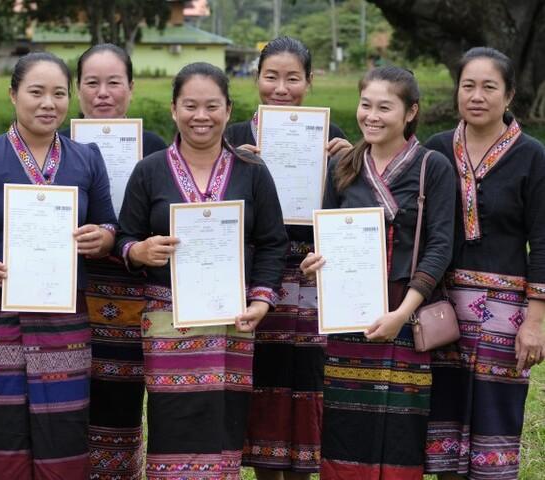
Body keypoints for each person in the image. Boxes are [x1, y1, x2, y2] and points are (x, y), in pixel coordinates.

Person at [0, 52, 117, 479]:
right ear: (13, 94)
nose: (47, 103)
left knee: (66, 427)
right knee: (4, 425)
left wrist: (102, 237)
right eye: (36, 92)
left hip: (65, 315)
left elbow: (110, 223)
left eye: (58, 93)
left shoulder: (86, 158)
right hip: (2, 315)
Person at [116, 62, 288, 479]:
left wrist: (261, 300)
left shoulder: (252, 171)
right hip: (168, 321)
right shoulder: (150, 170)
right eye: (190, 105)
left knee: (223, 424)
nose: (201, 116)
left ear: (228, 110)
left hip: (232, 320)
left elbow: (272, 242)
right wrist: (139, 251)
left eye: (212, 106)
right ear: (174, 109)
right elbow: (124, 237)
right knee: (171, 420)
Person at [300, 66, 455, 479]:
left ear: (410, 112)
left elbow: (440, 246)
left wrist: (402, 313)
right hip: (349, 316)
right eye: (365, 104)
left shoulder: (431, 167)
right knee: (346, 423)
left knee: (402, 425)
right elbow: (326, 231)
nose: (371, 115)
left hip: (404, 311)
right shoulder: (345, 165)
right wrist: (316, 262)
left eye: (384, 107)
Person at [224, 36, 352, 479]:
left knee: (309, 381)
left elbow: (350, 212)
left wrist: (351, 165)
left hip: (314, 279)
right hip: (260, 277)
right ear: (256, 78)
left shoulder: (332, 138)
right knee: (266, 380)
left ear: (310, 81)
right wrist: (233, 168)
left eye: (292, 78)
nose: (281, 88)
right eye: (271, 76)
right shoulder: (234, 138)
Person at [424, 47, 545, 480]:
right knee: (445, 423)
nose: (477, 95)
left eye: (489, 87)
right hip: (442, 309)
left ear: (509, 95)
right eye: (468, 85)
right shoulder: (436, 150)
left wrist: (536, 322)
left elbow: (543, 241)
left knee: (496, 419)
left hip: (505, 315)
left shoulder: (532, 156)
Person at [63, 43, 166, 480]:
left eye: (114, 83)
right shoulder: (57, 145)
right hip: (76, 291)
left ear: (131, 88)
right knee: (72, 396)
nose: (103, 93)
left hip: (136, 291)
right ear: (77, 89)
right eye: (92, 83)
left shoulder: (158, 148)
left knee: (122, 399)